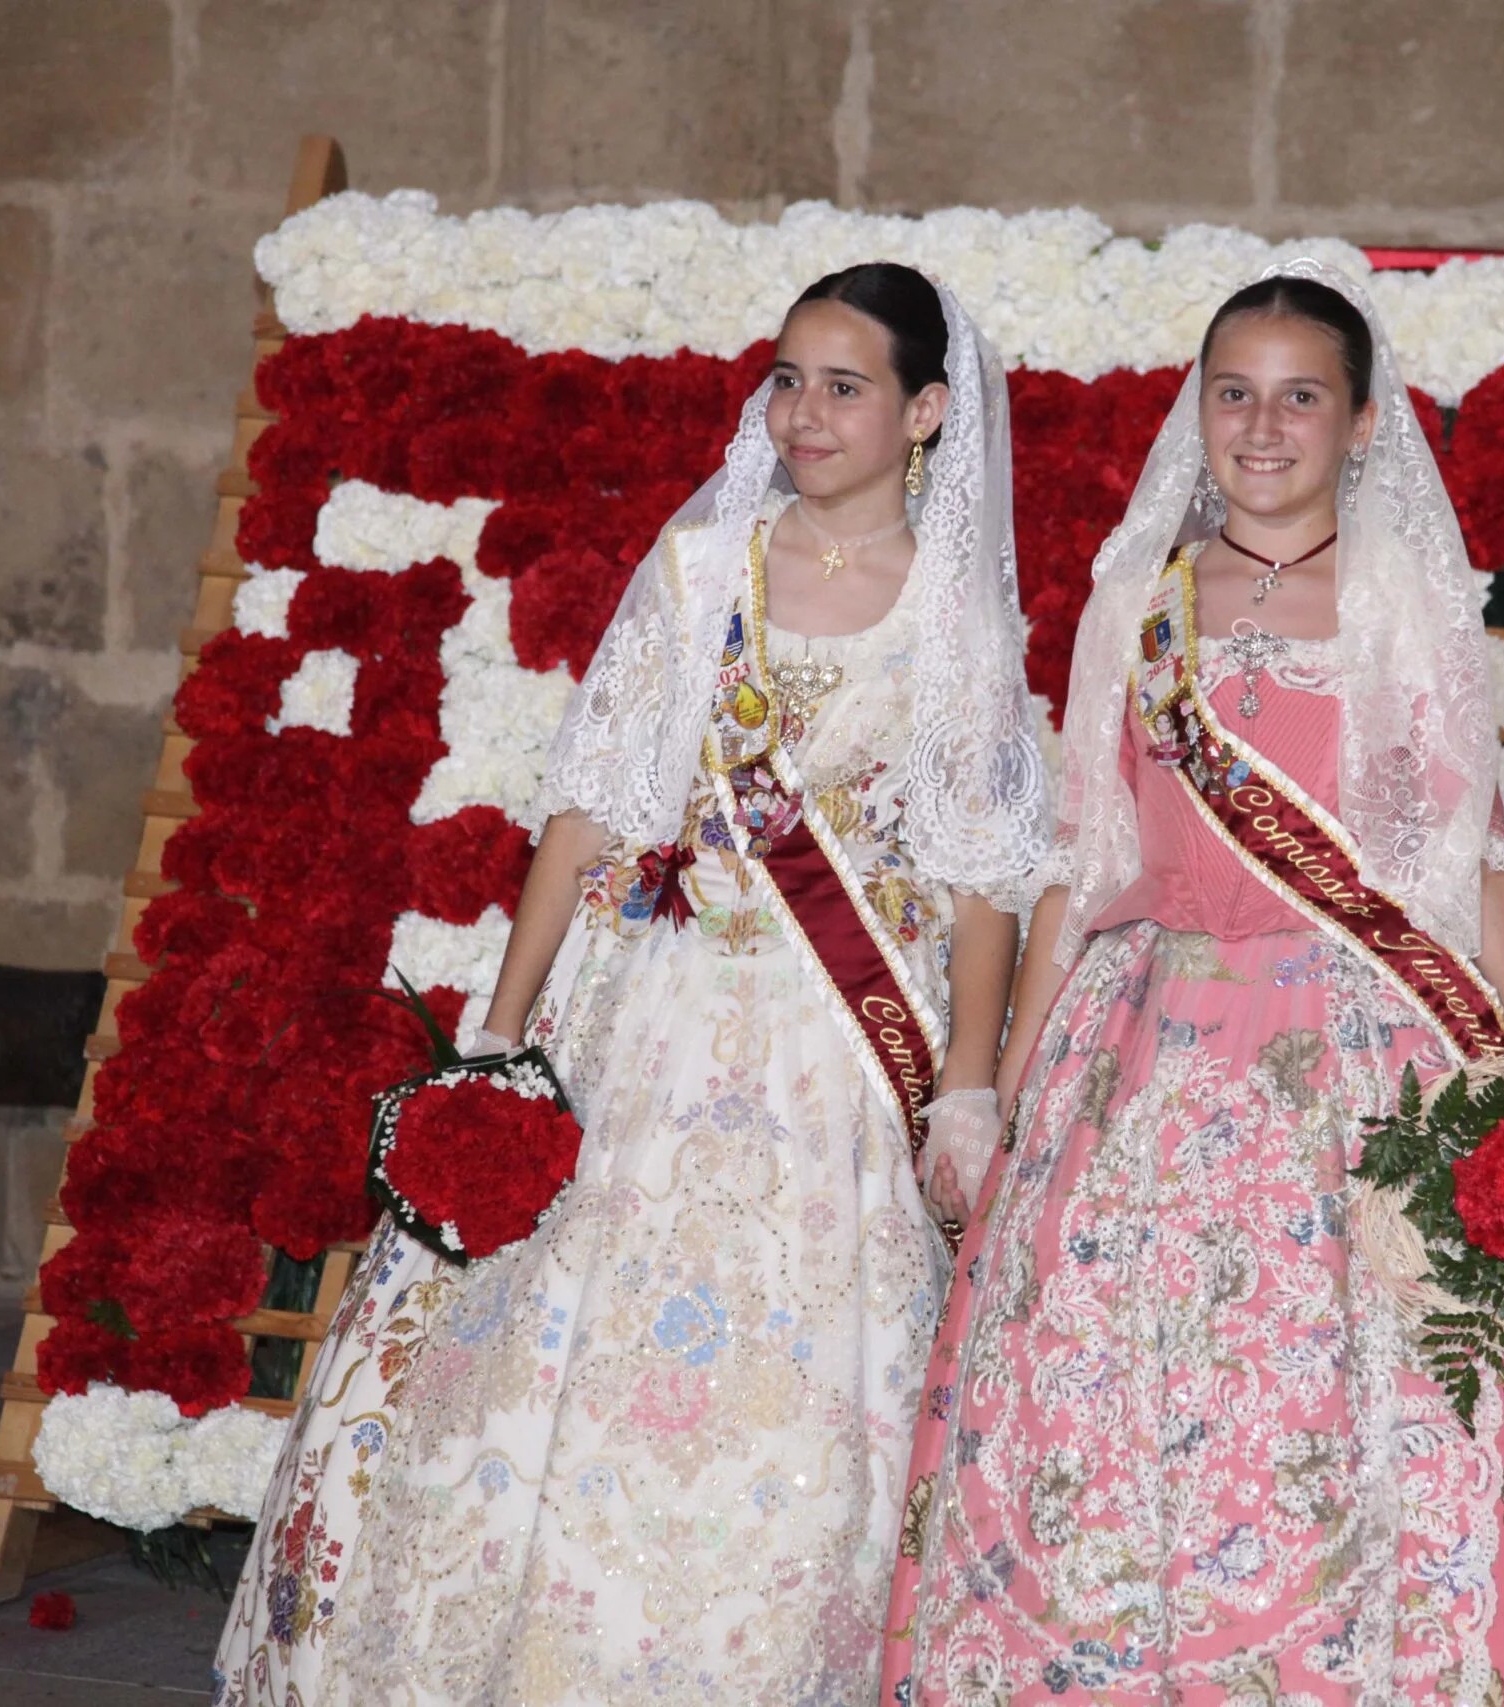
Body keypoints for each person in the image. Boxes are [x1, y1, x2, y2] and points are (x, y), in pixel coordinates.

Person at [878, 265, 1504, 1707]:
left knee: (1398, 1408)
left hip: (1372, 1054)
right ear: (1197, 411)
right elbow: (1083, 867)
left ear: (1361, 421)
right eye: (1234, 393)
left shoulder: (1401, 596)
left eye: (1300, 396)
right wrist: (1005, 1095)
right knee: (1122, 1407)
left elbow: (1477, 862)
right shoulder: (1142, 602)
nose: (1263, 427)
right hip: (1140, 1060)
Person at [214, 262, 1047, 1706]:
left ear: (925, 413)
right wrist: (502, 1028)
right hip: (647, 1011)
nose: (803, 412)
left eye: (845, 386)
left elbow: (984, 875)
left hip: (837, 1062)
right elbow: (593, 804)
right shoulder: (700, 565)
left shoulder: (961, 619)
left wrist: (967, 1082)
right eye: (786, 378)